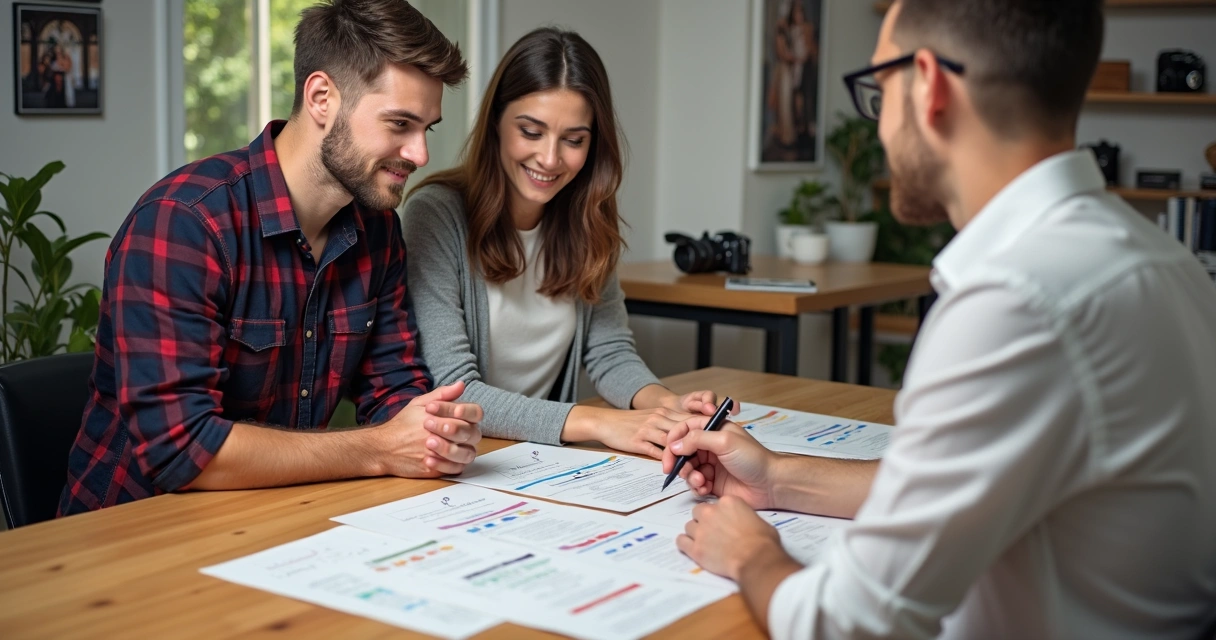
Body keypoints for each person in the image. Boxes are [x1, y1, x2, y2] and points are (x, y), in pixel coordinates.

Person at [664, 0, 1216, 637]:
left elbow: (849, 624)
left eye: (879, 90)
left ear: (928, 85)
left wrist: (752, 553)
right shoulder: (1163, 259)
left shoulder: (1015, 300)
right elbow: (960, 485)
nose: (877, 126)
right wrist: (777, 478)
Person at [59, 0, 482, 516]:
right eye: (399, 124)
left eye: (426, 129)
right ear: (322, 98)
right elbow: (183, 451)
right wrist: (380, 448)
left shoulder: (378, 229)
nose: (420, 154)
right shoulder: (184, 221)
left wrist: (435, 432)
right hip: (131, 533)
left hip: (279, 519)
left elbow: (396, 392)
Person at [402, 27, 734, 460]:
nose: (550, 159)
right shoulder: (436, 215)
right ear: (496, 122)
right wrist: (597, 422)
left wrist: (667, 405)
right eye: (531, 131)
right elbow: (455, 388)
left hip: (542, 458)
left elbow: (610, 352)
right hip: (466, 459)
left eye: (574, 140)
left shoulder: (587, 219)